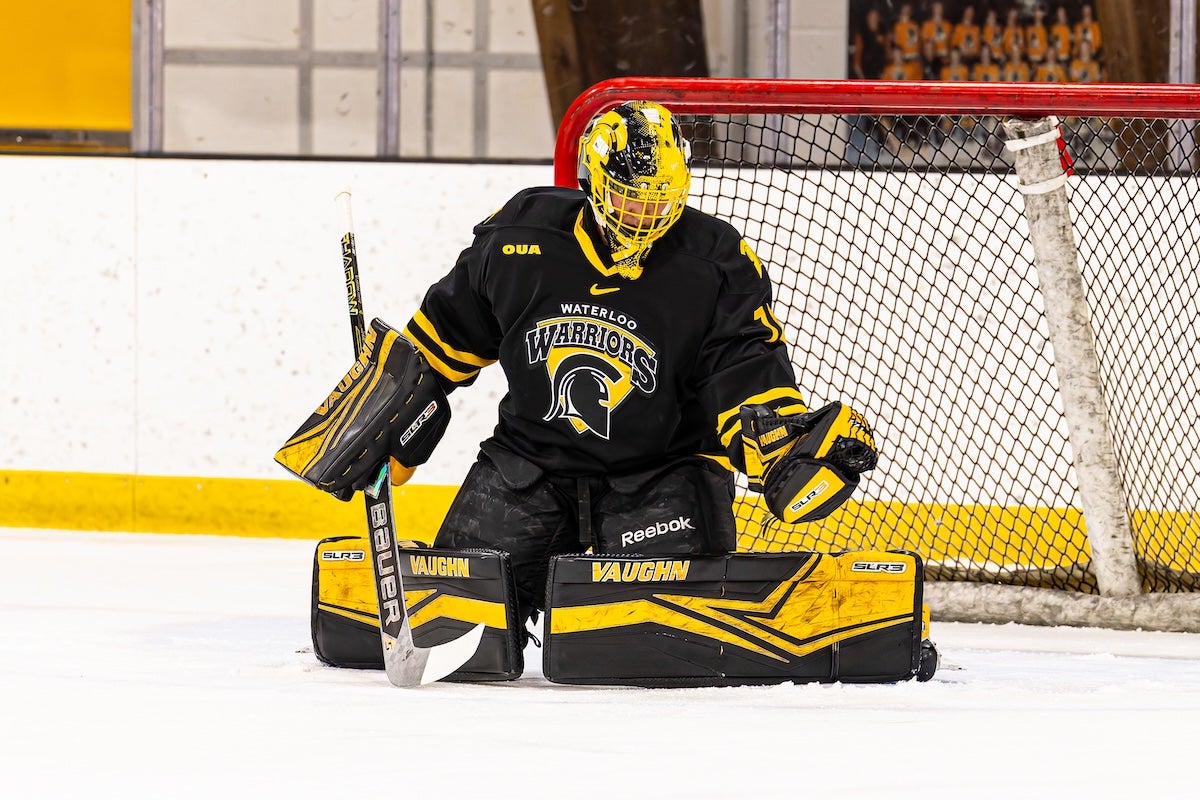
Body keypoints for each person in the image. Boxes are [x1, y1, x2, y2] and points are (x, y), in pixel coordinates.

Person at [285, 101, 878, 632]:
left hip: (662, 471)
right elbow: (444, 338)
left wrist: (777, 445)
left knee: (655, 636)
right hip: (529, 464)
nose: (645, 213)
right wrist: (388, 412)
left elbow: (745, 367)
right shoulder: (520, 236)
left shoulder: (714, 260)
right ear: (593, 185)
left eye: (660, 197)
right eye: (628, 197)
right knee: (461, 622)